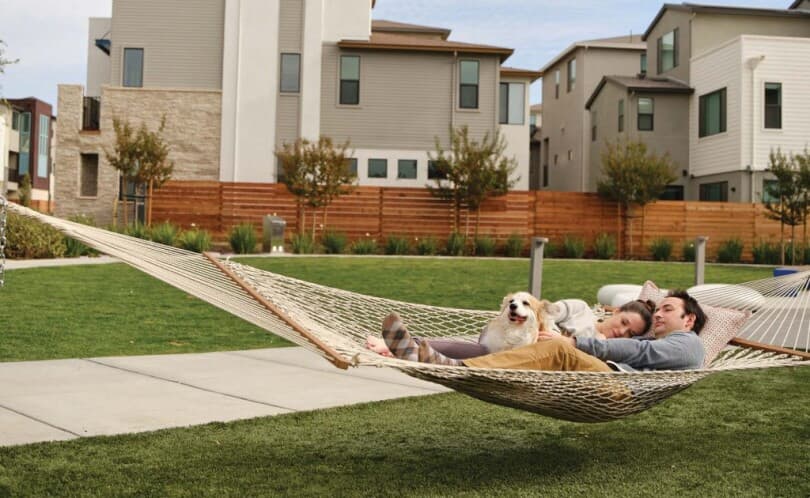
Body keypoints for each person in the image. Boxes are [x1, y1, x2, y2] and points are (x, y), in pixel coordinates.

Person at [381, 290, 706, 372]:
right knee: (496, 347)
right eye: (658, 308)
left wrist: (574, 341)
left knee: (558, 348)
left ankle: (453, 366)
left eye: (668, 309)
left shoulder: (689, 344)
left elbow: (640, 351)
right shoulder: (663, 340)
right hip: (593, 368)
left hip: (612, 381)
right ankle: (422, 351)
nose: (660, 315)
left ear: (689, 320)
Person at [366, 298, 655, 360]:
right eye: (624, 323)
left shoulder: (605, 345)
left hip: (526, 356)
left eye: (630, 334)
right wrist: (555, 330)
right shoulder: (581, 310)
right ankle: (403, 347)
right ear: (616, 312)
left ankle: (403, 349)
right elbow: (548, 310)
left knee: (481, 352)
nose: (622, 332)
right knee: (482, 349)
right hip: (513, 334)